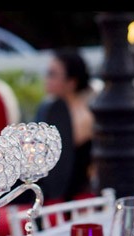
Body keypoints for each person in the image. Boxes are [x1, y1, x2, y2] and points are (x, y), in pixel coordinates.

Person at [35, 48, 95, 201]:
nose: (47, 79)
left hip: (66, 193)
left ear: (71, 82)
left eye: (52, 74)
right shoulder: (52, 110)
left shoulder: (83, 117)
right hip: (47, 185)